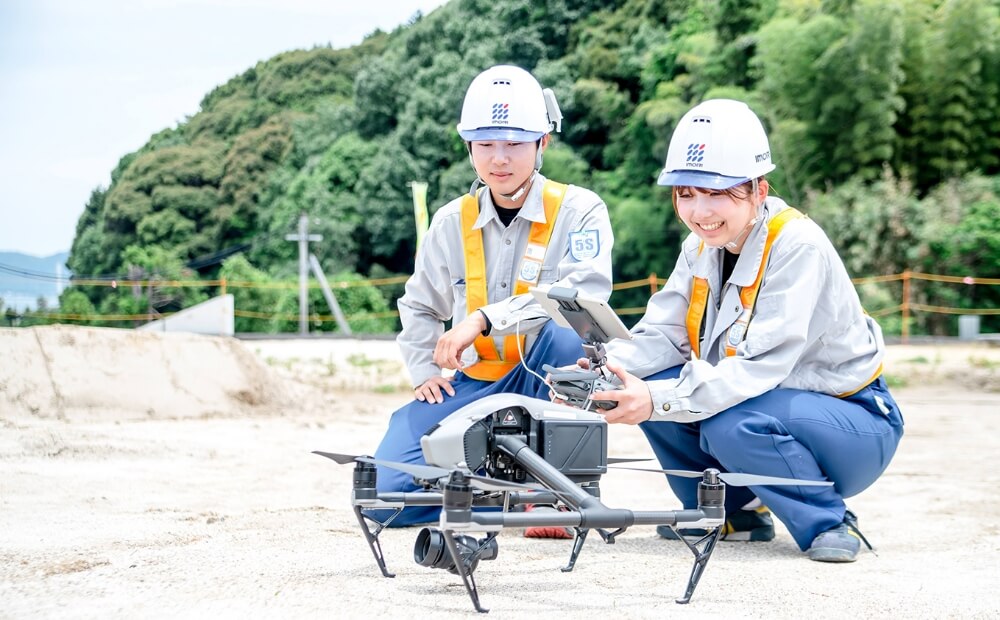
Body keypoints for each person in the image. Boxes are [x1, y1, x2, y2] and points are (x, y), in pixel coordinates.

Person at [585, 98, 904, 562]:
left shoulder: (797, 246)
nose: (700, 210)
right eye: (687, 194)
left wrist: (657, 400)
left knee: (722, 416)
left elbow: (758, 370)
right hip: (772, 408)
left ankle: (829, 521)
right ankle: (732, 513)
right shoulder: (699, 248)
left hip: (852, 423)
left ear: (758, 189)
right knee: (650, 387)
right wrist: (606, 371)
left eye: (717, 193)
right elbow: (662, 334)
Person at [369, 65, 615, 534]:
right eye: (485, 144)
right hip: (475, 382)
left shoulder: (580, 210)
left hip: (546, 376)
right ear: (469, 148)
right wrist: (425, 371)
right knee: (385, 497)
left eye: (515, 143)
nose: (499, 158)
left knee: (569, 333)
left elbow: (582, 296)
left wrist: (482, 319)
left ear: (543, 142)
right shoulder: (450, 221)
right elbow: (420, 305)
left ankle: (559, 490)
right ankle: (501, 494)